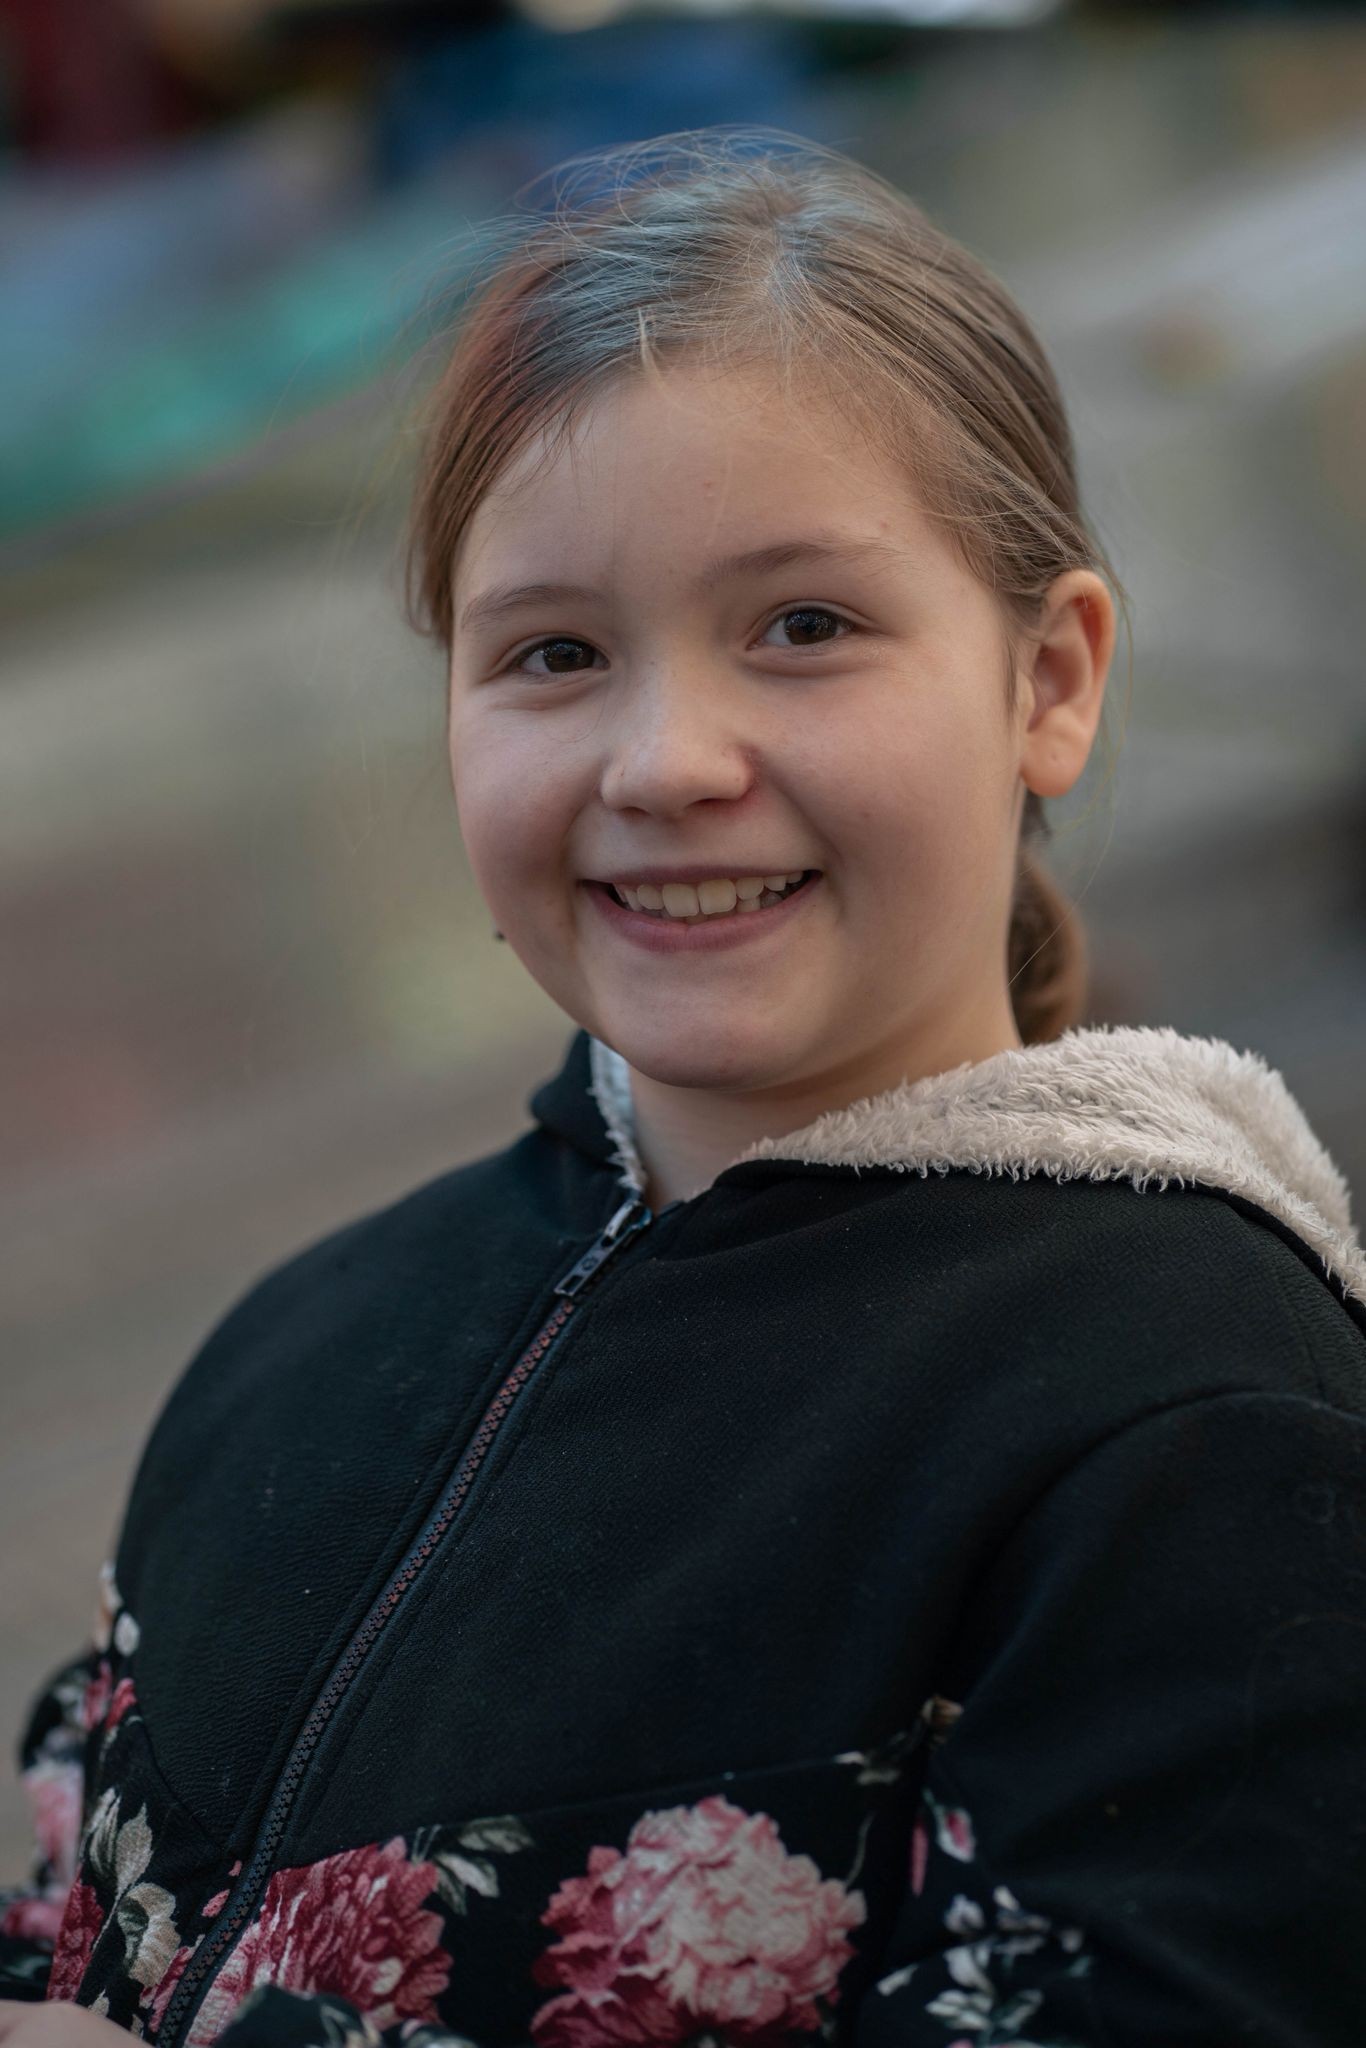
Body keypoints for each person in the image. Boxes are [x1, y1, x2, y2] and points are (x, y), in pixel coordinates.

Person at [3, 126, 1365, 2048]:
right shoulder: (293, 1351)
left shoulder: (1193, 1424)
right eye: (553, 653)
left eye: (803, 627)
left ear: (1049, 681)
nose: (663, 760)